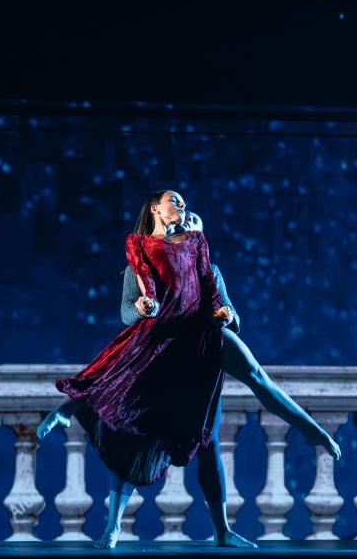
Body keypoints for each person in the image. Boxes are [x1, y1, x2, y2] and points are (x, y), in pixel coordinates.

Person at [38, 189, 340, 549]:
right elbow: (128, 313)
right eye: (177, 206)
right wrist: (142, 308)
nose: (186, 216)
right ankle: (112, 525)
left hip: (204, 349)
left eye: (192, 217)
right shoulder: (141, 262)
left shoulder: (207, 267)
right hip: (166, 351)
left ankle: (229, 522)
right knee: (136, 434)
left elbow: (229, 310)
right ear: (156, 209)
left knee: (214, 433)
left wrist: (226, 315)